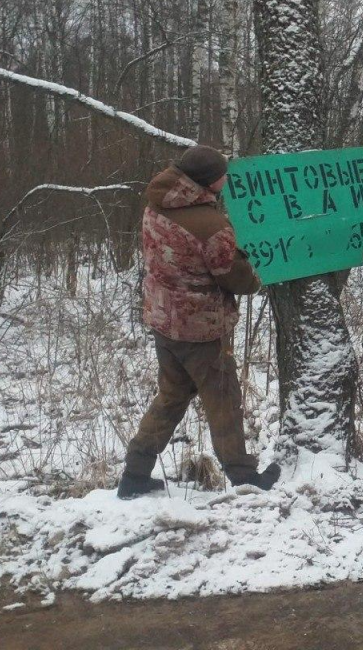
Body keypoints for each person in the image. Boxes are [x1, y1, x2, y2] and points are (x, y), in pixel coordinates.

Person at [117, 145, 279, 499]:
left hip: (163, 321)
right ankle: (244, 477)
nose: (227, 178)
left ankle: (135, 473)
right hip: (201, 328)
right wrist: (253, 275)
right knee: (224, 401)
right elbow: (236, 278)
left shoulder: (156, 205)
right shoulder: (211, 224)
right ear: (209, 181)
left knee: (171, 396)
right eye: (223, 174)